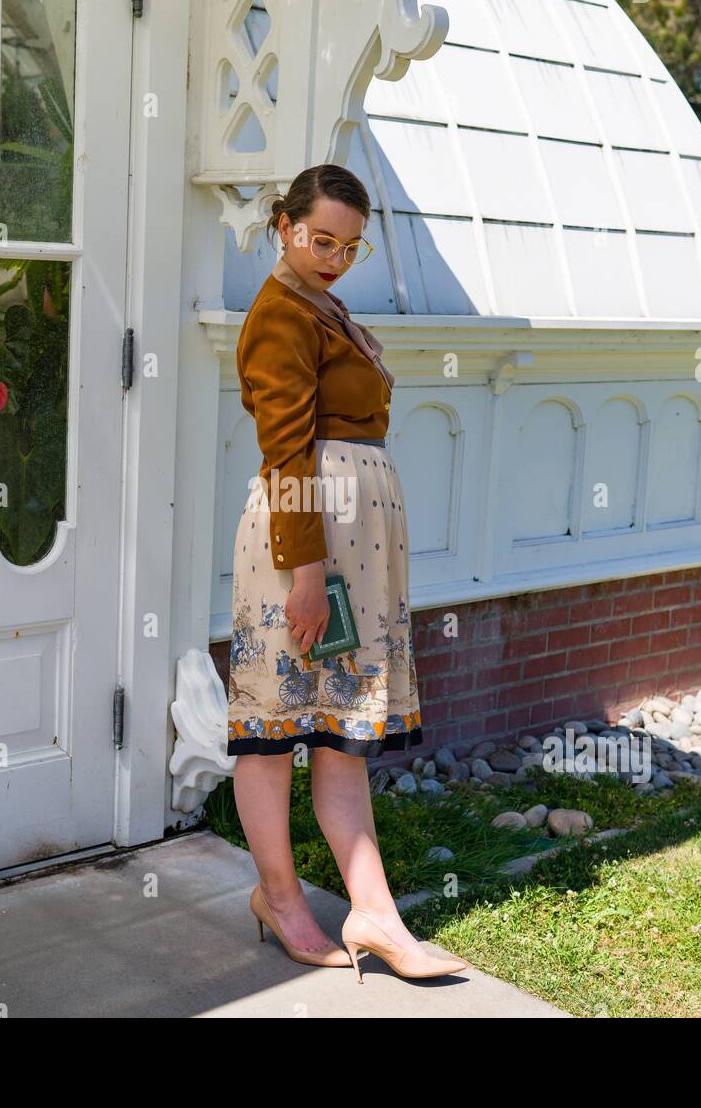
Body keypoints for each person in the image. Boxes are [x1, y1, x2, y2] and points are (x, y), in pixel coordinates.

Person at [225, 164, 469, 983]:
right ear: (284, 227)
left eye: (350, 247)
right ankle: (281, 898)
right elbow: (285, 450)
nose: (333, 256)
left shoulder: (324, 306)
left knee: (338, 731)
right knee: (273, 732)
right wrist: (304, 573)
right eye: (320, 238)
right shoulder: (279, 314)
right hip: (307, 546)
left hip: (349, 549)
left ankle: (374, 912)